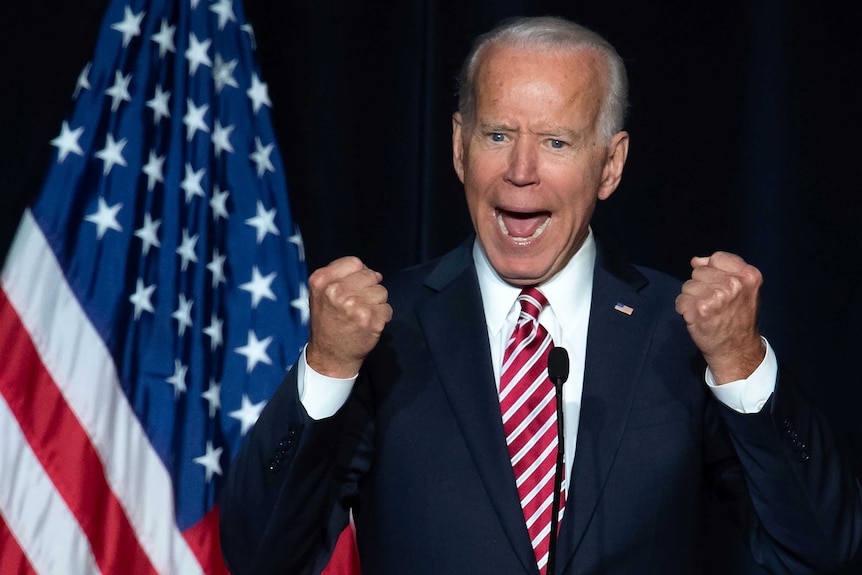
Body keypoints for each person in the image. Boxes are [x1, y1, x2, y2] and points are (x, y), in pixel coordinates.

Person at [219, 16, 861, 574]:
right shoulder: (386, 330)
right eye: (497, 135)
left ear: (610, 165)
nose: (520, 171)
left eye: (556, 142)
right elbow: (261, 556)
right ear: (458, 147)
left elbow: (819, 550)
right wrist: (327, 369)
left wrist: (744, 364)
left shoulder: (680, 333)